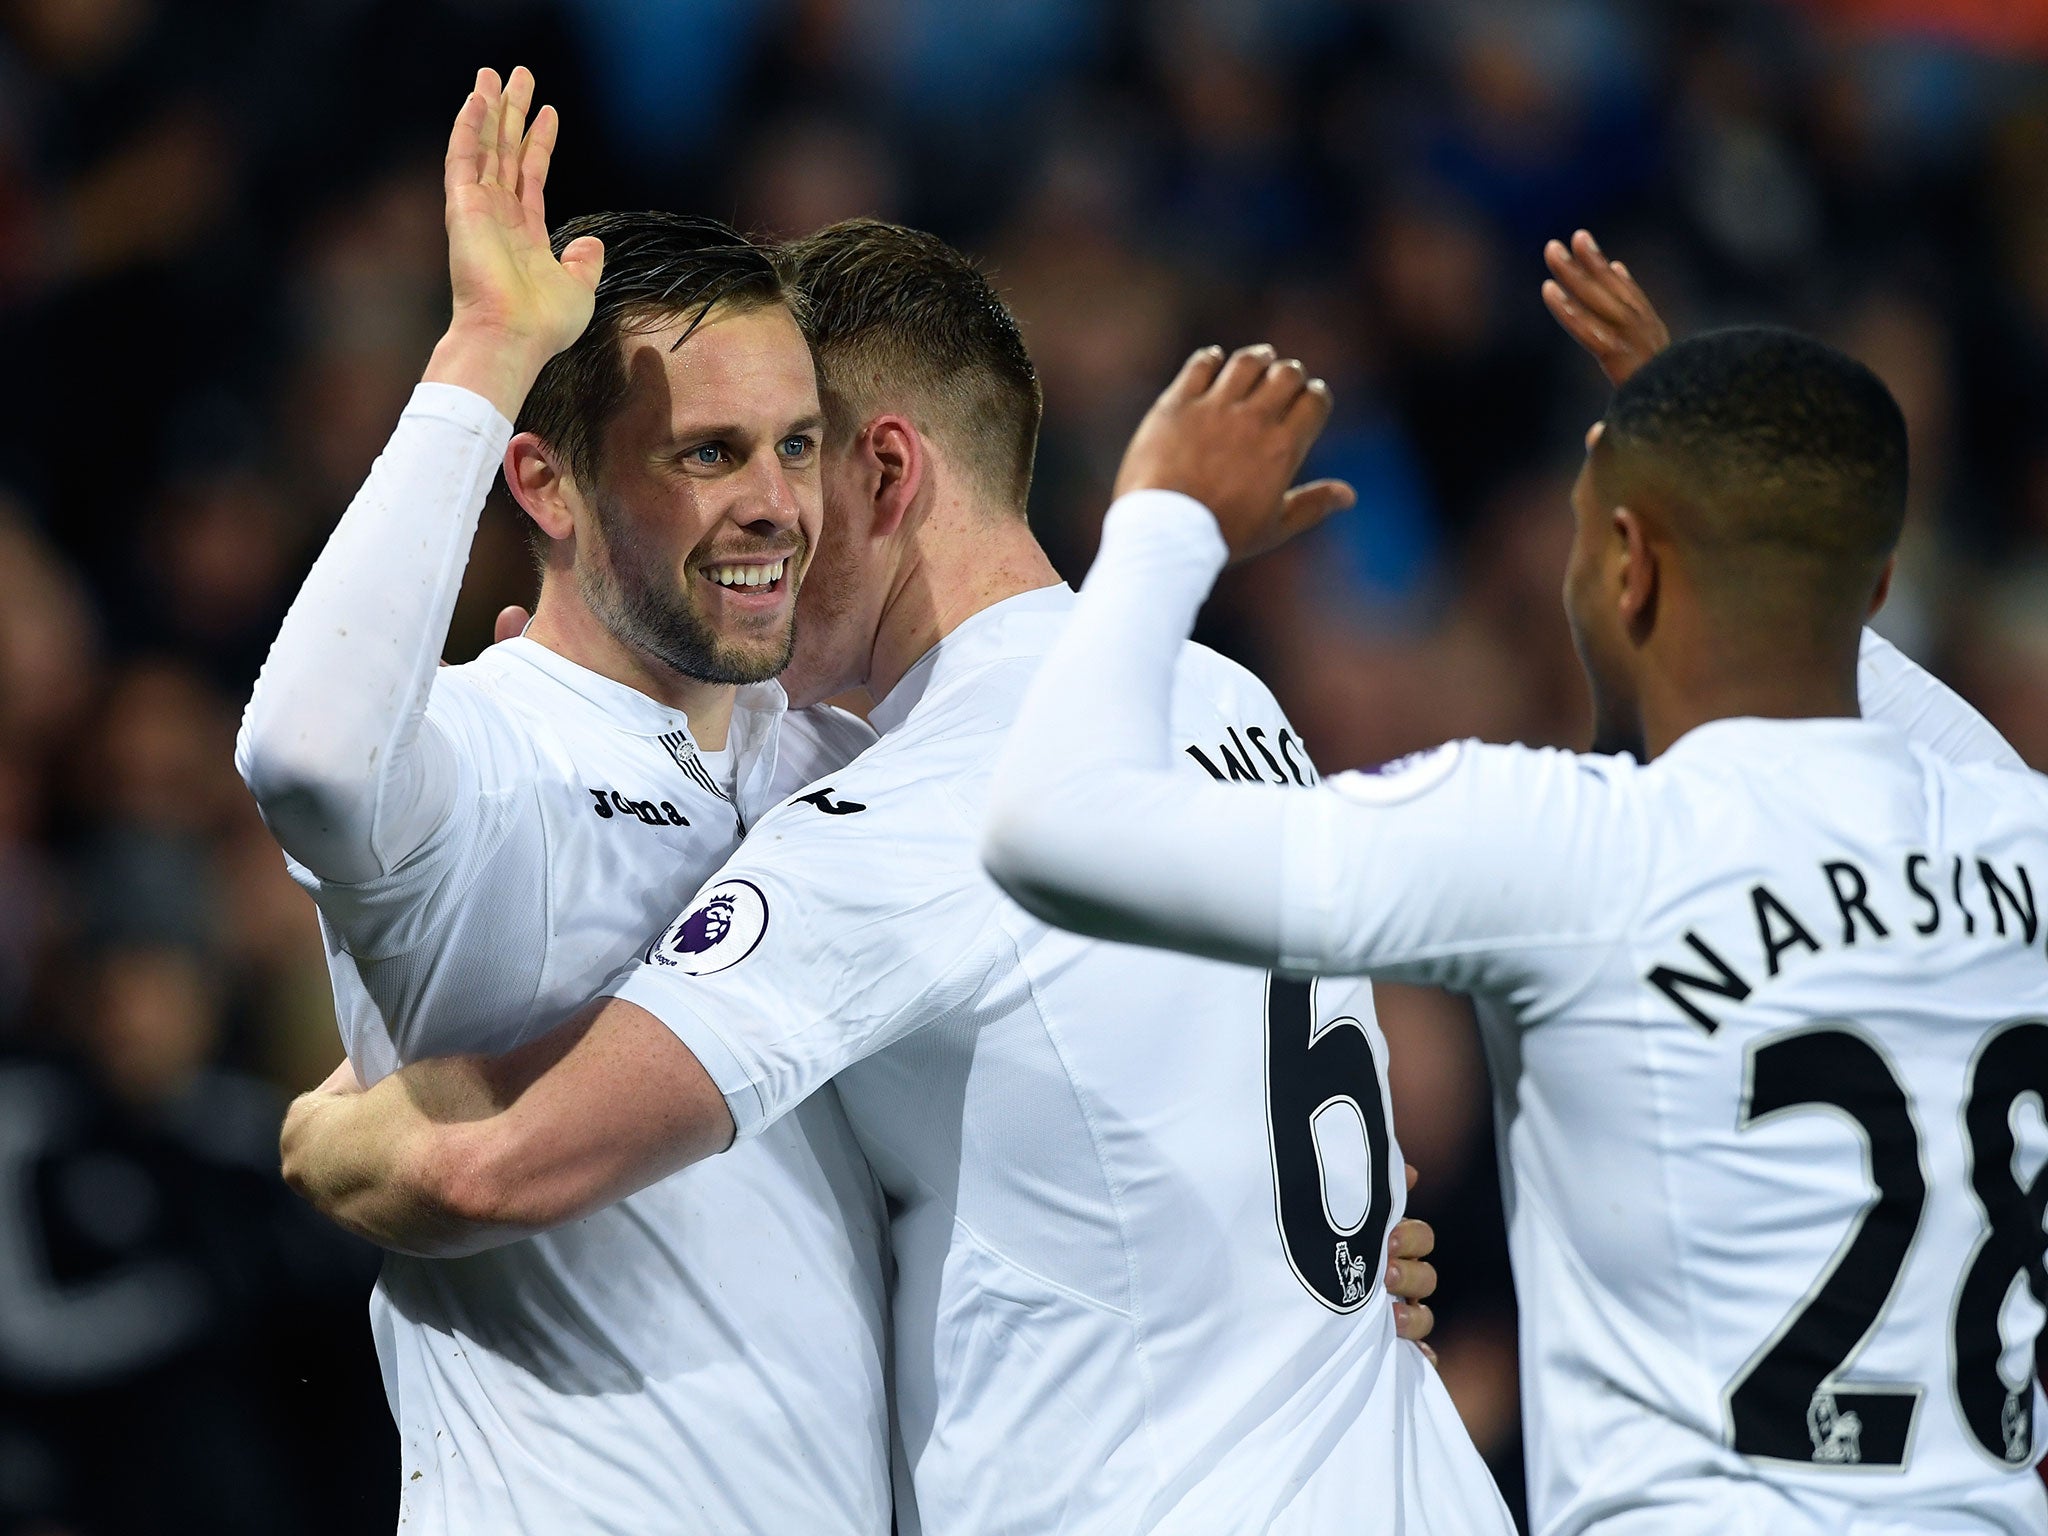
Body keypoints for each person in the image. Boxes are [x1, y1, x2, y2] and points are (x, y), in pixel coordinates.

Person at [281, 220, 1502, 1535]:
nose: (767, 518)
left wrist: (329, 1131)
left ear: (884, 470)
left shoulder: (932, 811)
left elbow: (496, 1169)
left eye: (795, 454)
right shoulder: (1218, 693)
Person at [978, 321, 2048, 1534]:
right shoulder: (2018, 845)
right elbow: (1968, 749)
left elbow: (1048, 827)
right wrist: (1766, 510)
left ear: (1629, 564)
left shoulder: (1570, 845)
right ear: (1873, 590)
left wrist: (1165, 525)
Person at [238, 69, 892, 1534]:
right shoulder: (478, 759)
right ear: (542, 480)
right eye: (707, 453)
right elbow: (304, 757)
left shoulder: (846, 777)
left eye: (796, 446)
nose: (777, 504)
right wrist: (485, 352)